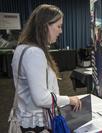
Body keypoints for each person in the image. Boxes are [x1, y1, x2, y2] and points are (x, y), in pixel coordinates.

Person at [10, 4, 81, 132]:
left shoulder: (22, 47)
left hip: (25, 116)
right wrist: (69, 99)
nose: (61, 31)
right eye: (58, 26)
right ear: (45, 26)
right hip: (36, 123)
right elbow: (41, 98)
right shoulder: (34, 53)